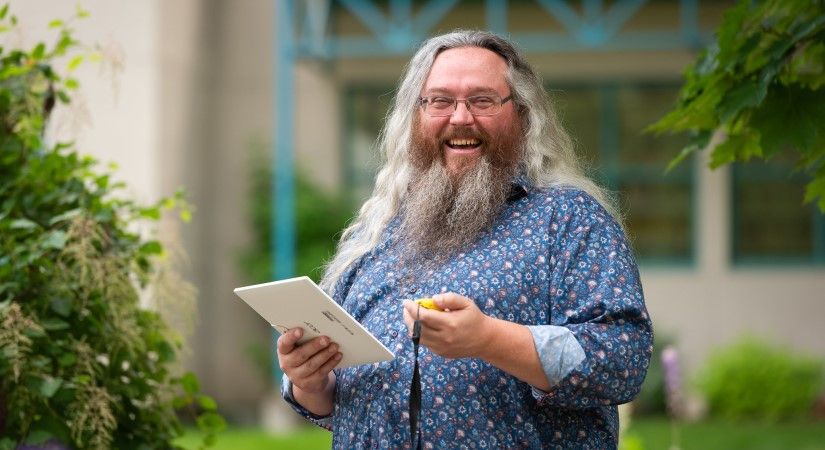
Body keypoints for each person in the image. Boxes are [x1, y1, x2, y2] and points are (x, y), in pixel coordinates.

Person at [277, 30, 653, 449]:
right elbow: (343, 397)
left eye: (482, 100)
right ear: (416, 116)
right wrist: (309, 382)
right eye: (440, 101)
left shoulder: (568, 220)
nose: (460, 118)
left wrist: (488, 339)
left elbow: (623, 359)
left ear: (523, 115)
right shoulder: (376, 233)